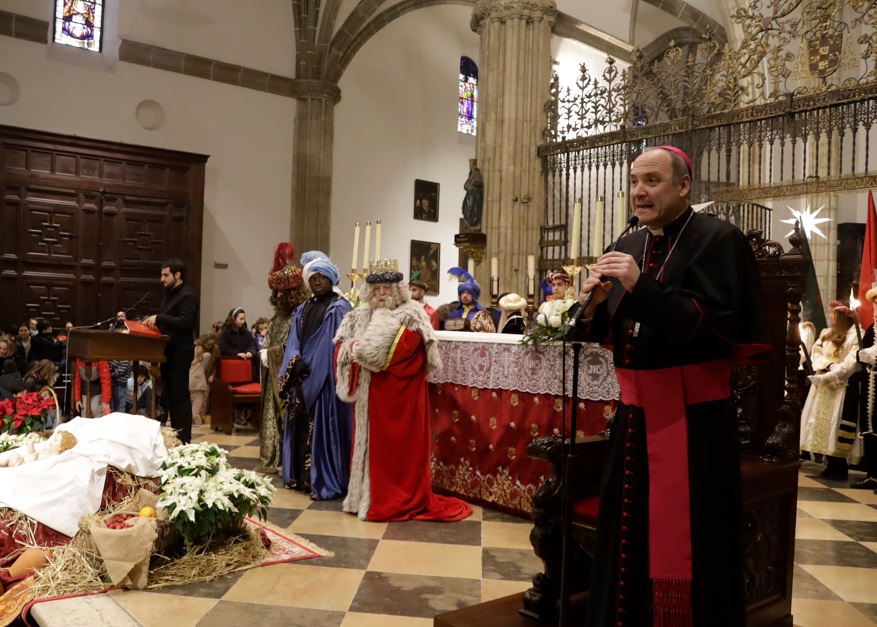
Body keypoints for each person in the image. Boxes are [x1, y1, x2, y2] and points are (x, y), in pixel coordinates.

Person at [576, 146, 766, 626]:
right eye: (635, 181)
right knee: (626, 541)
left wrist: (643, 287)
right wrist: (594, 305)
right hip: (634, 421)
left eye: (652, 180)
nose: (639, 191)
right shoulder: (631, 241)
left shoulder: (720, 240)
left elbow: (717, 326)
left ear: (683, 185)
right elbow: (608, 334)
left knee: (692, 540)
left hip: (694, 424)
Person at [334, 259, 472, 522]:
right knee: (364, 445)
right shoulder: (358, 315)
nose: (382, 293)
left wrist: (360, 351)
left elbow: (403, 353)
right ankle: (361, 497)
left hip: (396, 401)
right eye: (377, 288)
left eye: (387, 288)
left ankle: (388, 499)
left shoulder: (411, 315)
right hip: (367, 397)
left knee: (393, 453)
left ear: (397, 289)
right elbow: (342, 348)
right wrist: (349, 351)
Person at [279, 251, 353, 498]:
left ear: (332, 279)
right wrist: (295, 359)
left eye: (321, 277)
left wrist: (312, 367)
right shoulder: (302, 308)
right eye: (312, 278)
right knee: (298, 425)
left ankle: (321, 480)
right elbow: (294, 340)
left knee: (322, 429)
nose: (317, 282)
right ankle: (299, 478)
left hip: (325, 381)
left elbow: (335, 346)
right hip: (301, 376)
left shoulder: (340, 307)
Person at [256, 243, 309, 474]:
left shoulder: (299, 315)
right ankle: (271, 458)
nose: (276, 296)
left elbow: (293, 346)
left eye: (280, 292)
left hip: (287, 377)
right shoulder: (279, 316)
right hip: (271, 377)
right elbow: (269, 340)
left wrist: (270, 353)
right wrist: (265, 351)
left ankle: (283, 460)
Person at [800, 301, 861, 480]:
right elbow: (816, 352)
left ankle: (838, 465)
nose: (832, 317)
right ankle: (829, 463)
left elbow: (852, 362)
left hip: (842, 388)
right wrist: (829, 365)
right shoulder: (826, 333)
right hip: (824, 385)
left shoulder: (856, 335)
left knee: (836, 425)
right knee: (821, 424)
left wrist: (837, 371)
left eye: (835, 314)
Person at [143, 259, 199, 444]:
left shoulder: (187, 296)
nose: (162, 279)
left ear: (178, 275)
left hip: (180, 352)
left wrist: (159, 318)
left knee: (179, 396)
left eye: (165, 275)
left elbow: (185, 322)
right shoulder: (169, 293)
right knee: (169, 396)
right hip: (168, 351)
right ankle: (175, 434)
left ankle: (183, 438)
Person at [446, 268, 496, 333]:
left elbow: (491, 334)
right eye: (463, 293)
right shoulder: (454, 313)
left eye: (468, 293)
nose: (465, 296)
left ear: (474, 296)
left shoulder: (483, 314)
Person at [462, 158, 484, 231]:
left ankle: (473, 224)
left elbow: (479, 182)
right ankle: (469, 224)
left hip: (474, 195)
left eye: (471, 164)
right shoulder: (471, 174)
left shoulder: (476, 172)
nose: (470, 166)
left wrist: (472, 183)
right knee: (466, 208)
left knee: (472, 209)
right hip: (469, 195)